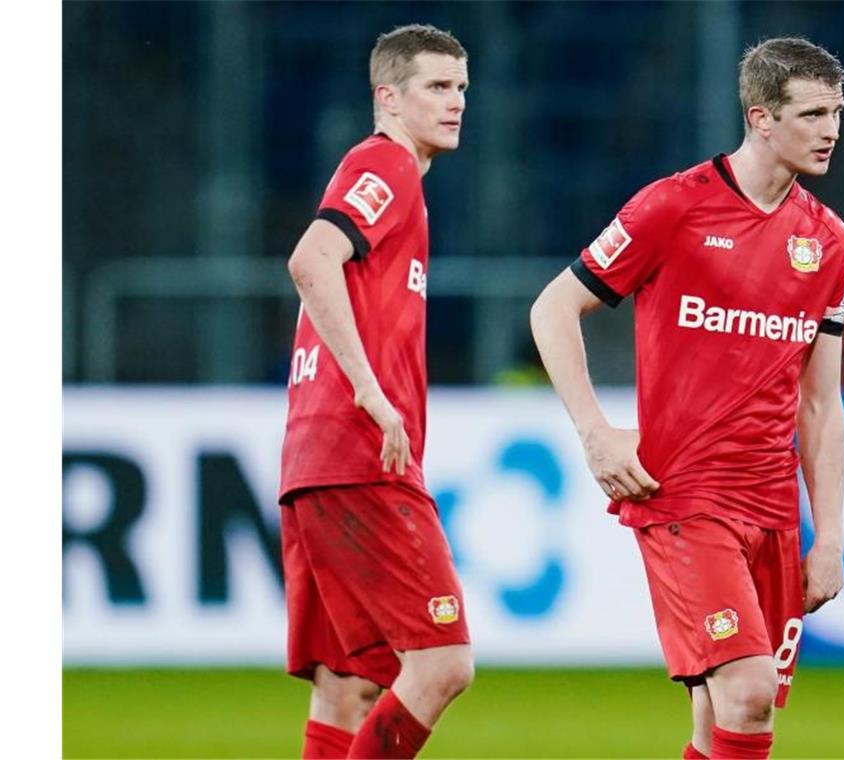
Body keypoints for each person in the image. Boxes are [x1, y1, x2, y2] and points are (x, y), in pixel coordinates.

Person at [531, 37, 844, 760]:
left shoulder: (828, 241)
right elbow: (552, 308)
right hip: (683, 497)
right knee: (748, 690)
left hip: (771, 508)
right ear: (761, 118)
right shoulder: (673, 207)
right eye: (811, 113)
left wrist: (826, 535)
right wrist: (595, 432)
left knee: (722, 721)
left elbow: (821, 405)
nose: (830, 129)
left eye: (836, 111)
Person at [278, 24, 472, 760]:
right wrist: (368, 390)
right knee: (443, 663)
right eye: (435, 87)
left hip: (313, 457)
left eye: (460, 89)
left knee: (348, 681)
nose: (454, 103)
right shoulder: (384, 165)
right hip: (358, 454)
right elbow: (311, 258)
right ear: (387, 98)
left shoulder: (396, 181)